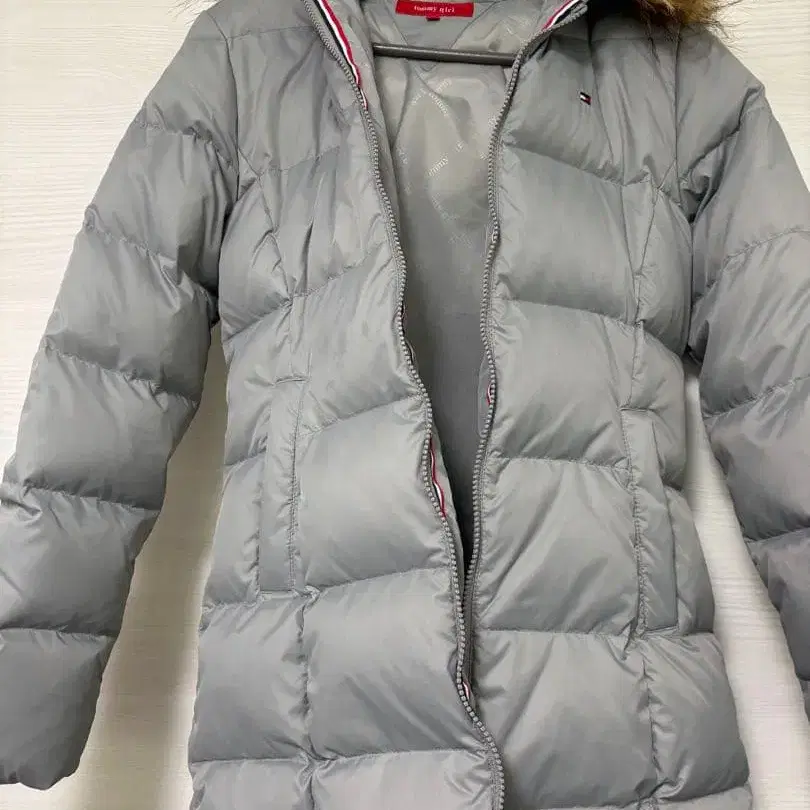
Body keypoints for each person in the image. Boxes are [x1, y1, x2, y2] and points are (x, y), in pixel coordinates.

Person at [1, 0, 808, 808]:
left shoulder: (680, 84)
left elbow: (790, 400)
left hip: (617, 739)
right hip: (315, 732)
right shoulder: (242, 61)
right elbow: (107, 368)